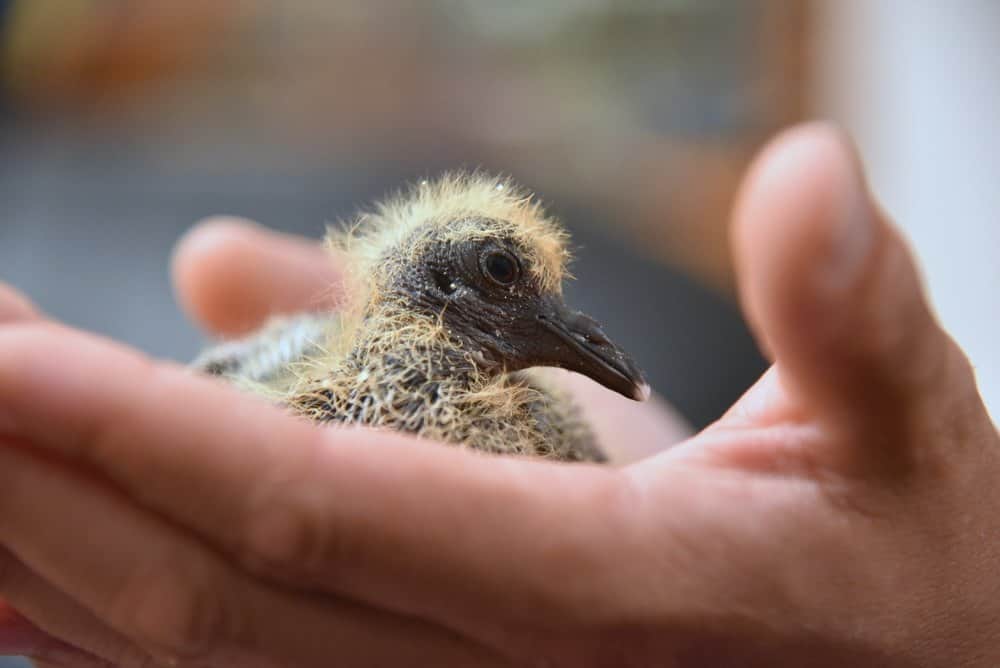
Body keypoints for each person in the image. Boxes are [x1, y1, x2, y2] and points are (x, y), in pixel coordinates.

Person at [0, 123, 996, 668]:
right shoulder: (313, 389)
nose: (565, 325)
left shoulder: (549, 429)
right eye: (504, 276)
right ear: (435, 283)